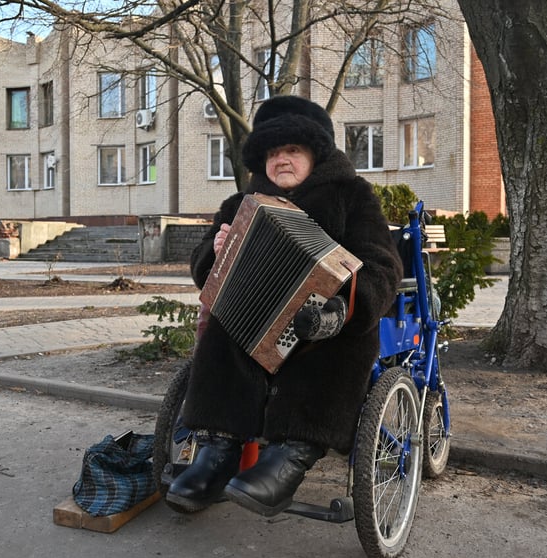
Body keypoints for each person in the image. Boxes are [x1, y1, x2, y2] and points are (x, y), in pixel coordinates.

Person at [166, 95, 403, 517]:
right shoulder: (243, 203)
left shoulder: (351, 196)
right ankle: (218, 451)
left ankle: (291, 455)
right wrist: (213, 254)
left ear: (315, 153)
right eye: (273, 152)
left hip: (328, 323)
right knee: (224, 327)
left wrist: (341, 308)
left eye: (292, 149)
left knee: (329, 338)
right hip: (255, 322)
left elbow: (383, 266)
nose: (282, 160)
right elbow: (204, 265)